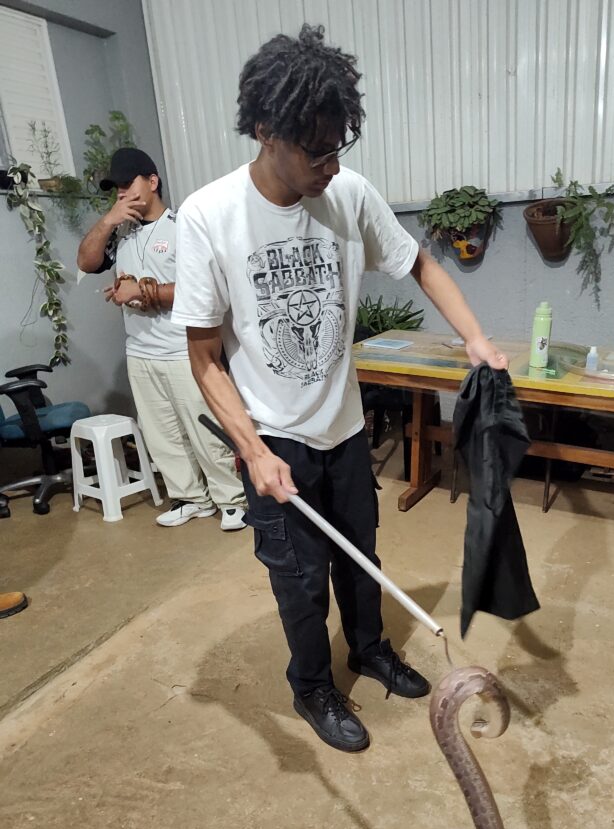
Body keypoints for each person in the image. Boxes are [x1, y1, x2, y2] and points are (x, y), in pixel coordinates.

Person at [172, 25, 509, 752]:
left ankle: (369, 649)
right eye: (315, 151)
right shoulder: (208, 216)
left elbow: (421, 265)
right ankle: (312, 686)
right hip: (274, 437)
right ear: (265, 132)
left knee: (361, 555)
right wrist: (253, 451)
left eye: (337, 148)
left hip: (344, 427)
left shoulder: (348, 193)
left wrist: (475, 339)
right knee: (298, 579)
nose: (330, 165)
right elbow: (203, 356)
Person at [76, 148, 247, 530]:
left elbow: (207, 288)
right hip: (140, 350)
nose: (121, 193)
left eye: (128, 184)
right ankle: (190, 498)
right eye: (116, 188)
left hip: (185, 350)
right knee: (162, 435)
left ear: (152, 181)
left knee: (206, 429)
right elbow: (86, 261)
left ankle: (232, 500)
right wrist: (108, 220)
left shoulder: (183, 226)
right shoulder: (120, 234)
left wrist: (143, 291)